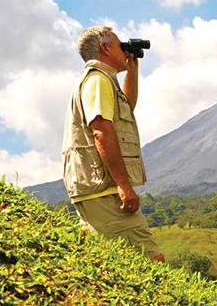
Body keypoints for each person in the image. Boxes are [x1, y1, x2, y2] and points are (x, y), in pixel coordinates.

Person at [62, 26, 164, 262]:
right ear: (105, 48)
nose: (124, 49)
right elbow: (101, 130)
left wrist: (132, 71)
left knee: (107, 260)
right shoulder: (97, 81)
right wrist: (124, 185)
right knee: (152, 262)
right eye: (120, 45)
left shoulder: (103, 81)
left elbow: (124, 108)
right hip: (105, 189)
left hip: (95, 189)